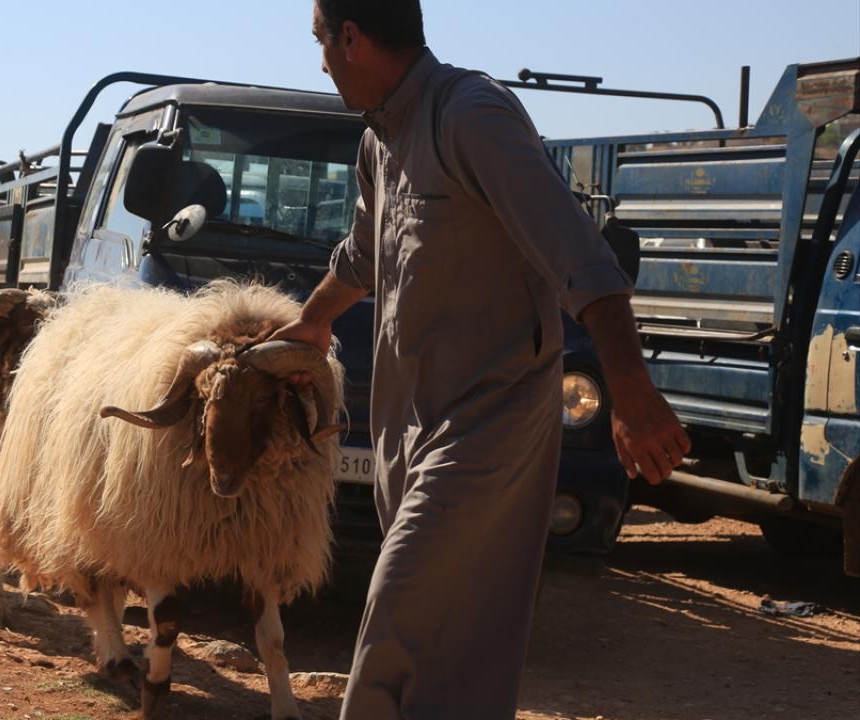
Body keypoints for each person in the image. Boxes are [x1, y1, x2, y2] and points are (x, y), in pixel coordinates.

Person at [269, 2, 691, 717]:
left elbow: (581, 258)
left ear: (352, 38)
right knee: (452, 642)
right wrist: (311, 324)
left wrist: (632, 391)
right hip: (407, 425)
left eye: (321, 41)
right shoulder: (378, 141)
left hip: (490, 423)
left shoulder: (471, 116)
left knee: (399, 617)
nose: (321, 63)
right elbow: (362, 256)